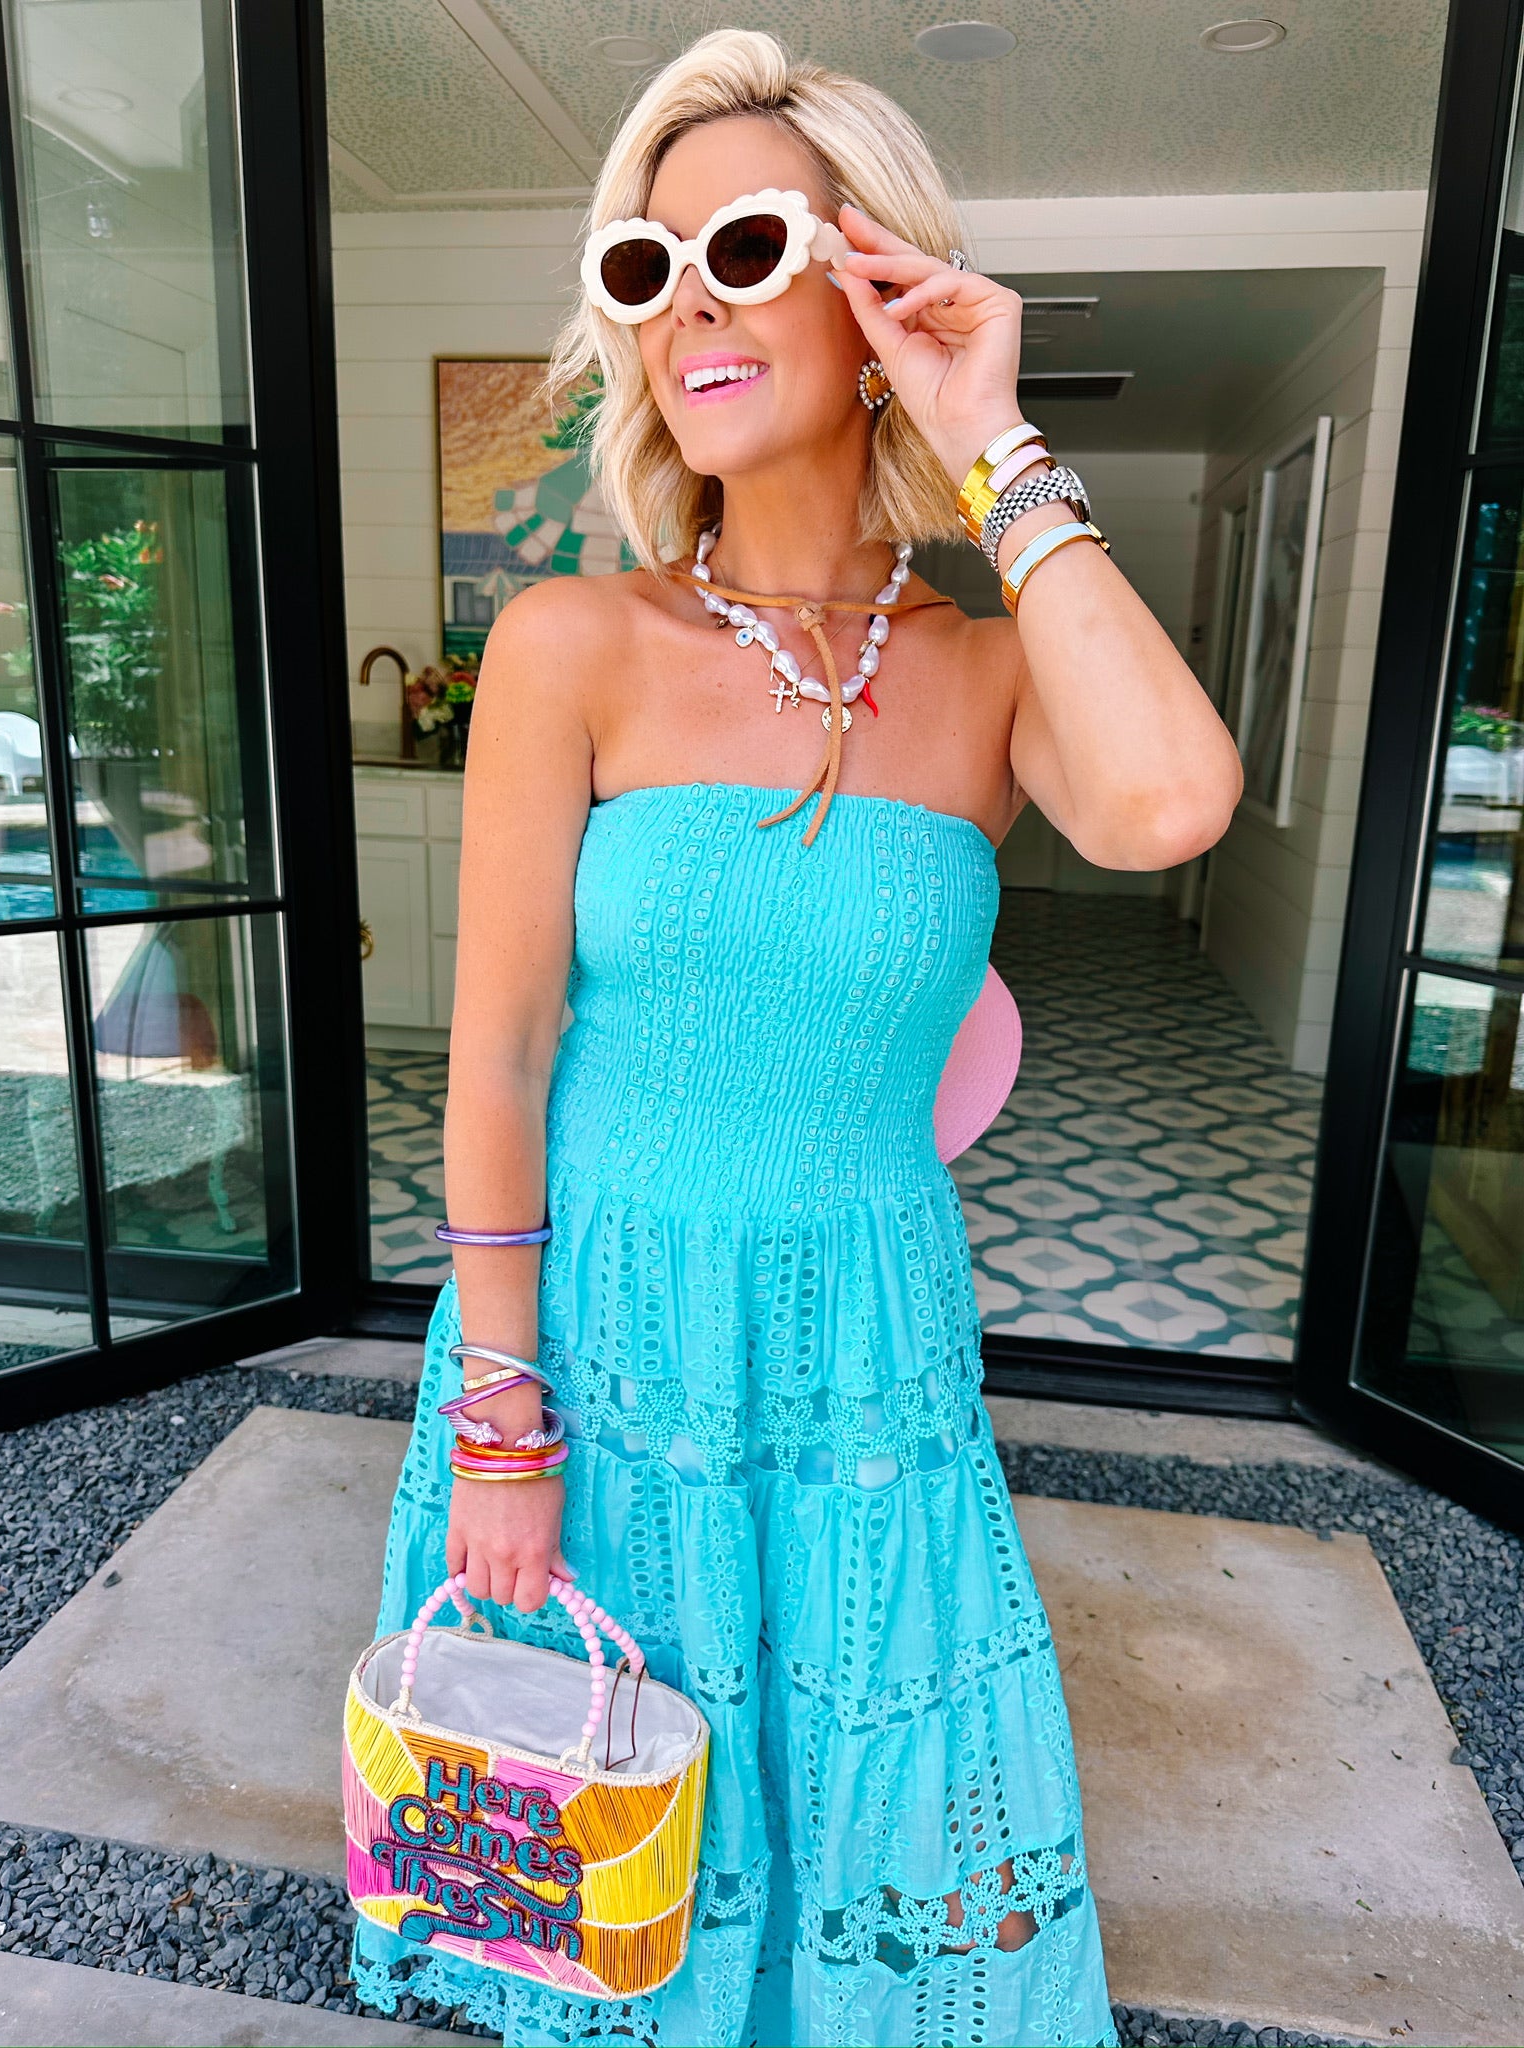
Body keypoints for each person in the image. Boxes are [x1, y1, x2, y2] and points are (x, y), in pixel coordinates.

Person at [352, 27, 1241, 2048]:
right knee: (590, 1820)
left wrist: (994, 439)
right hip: (600, 1336)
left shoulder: (991, 674)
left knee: (860, 1812)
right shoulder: (575, 644)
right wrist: (503, 1422)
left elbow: (1172, 801)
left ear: (876, 287)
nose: (689, 307)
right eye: (644, 269)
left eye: (744, 247)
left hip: (862, 1347)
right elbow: (496, 1057)